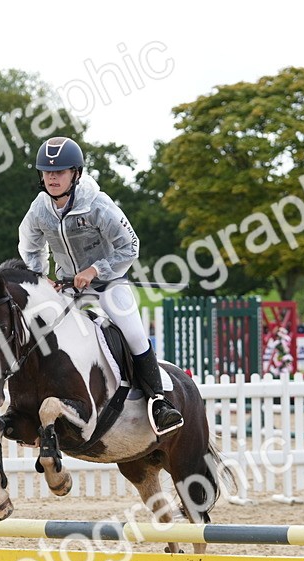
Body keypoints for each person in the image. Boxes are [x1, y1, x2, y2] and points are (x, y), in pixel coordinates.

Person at [18, 136, 183, 435]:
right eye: (47, 172)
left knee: (132, 332)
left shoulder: (98, 205)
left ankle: (160, 403)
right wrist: (42, 277)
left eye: (61, 171)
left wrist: (95, 269)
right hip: (68, 289)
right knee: (39, 331)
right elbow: (30, 246)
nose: (53, 177)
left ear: (76, 174)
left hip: (109, 284)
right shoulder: (39, 210)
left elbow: (130, 246)